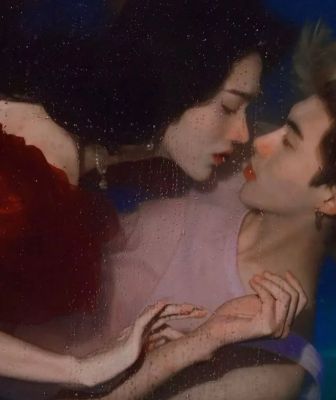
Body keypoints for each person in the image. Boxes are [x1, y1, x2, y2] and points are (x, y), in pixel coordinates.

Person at [0, 0, 303, 397]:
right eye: (229, 106)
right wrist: (82, 370)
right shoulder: (32, 164)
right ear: (177, 85)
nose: (242, 134)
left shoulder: (88, 152)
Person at [98, 25, 336, 399]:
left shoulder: (269, 370)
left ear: (333, 197)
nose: (260, 140)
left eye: (289, 140)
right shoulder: (241, 169)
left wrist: (191, 347)